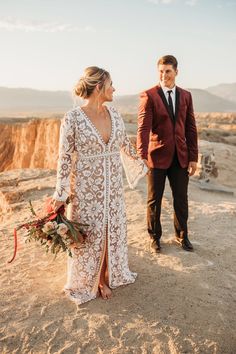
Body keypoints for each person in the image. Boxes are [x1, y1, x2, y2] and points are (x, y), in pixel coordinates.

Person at [51, 66, 147, 304]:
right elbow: (64, 158)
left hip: (113, 185)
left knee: (110, 227)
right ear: (98, 87)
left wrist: (142, 162)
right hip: (86, 187)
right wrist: (60, 193)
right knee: (91, 231)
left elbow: (124, 144)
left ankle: (106, 274)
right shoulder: (72, 118)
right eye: (111, 83)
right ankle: (93, 280)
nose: (114, 88)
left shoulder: (114, 113)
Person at [137, 55, 198, 253]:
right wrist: (142, 155)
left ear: (176, 72)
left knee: (181, 198)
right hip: (157, 157)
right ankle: (154, 237)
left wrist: (193, 157)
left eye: (168, 71)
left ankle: (182, 236)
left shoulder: (186, 96)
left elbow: (191, 128)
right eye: (161, 71)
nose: (164, 75)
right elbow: (143, 128)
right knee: (154, 199)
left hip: (180, 156)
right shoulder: (149, 95)